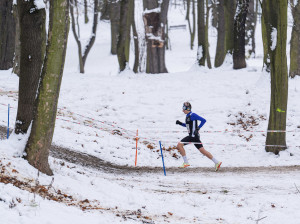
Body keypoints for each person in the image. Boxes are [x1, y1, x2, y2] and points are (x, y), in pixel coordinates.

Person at [176, 102, 222, 171]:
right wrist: (180, 123)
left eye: (183, 109)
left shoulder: (192, 115)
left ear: (187, 109)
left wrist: (198, 128)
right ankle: (217, 162)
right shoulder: (188, 116)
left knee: (179, 145)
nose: (182, 110)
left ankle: (186, 162)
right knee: (202, 150)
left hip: (193, 136)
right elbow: (188, 125)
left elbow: (203, 120)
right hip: (195, 137)